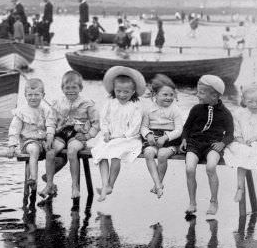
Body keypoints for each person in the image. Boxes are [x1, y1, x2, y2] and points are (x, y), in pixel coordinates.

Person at [180, 74, 234, 215]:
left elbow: (230, 134)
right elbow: (186, 127)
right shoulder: (196, 109)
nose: (198, 95)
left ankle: (214, 201)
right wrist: (184, 139)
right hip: (195, 143)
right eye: (198, 91)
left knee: (211, 167)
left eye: (202, 92)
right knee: (189, 169)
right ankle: (192, 203)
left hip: (213, 144)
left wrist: (222, 143)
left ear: (215, 95)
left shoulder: (225, 113)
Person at [90, 66, 145, 201]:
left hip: (128, 138)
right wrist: (106, 132)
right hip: (110, 136)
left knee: (115, 155)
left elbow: (135, 126)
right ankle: (105, 184)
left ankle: (111, 184)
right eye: (118, 91)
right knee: (100, 153)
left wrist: (122, 136)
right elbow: (104, 119)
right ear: (113, 90)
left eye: (126, 92)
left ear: (133, 92)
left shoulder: (135, 106)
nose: (121, 94)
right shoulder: (110, 103)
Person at [43, 70, 99, 199]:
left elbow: (96, 124)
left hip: (77, 135)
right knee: (50, 152)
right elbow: (51, 121)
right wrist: (50, 135)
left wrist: (87, 136)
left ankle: (75, 186)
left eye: (74, 87)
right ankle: (50, 184)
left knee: (72, 151)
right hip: (62, 132)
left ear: (80, 88)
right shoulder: (58, 103)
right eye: (67, 88)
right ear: (62, 89)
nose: (70, 90)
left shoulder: (87, 103)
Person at [140, 74, 184, 198]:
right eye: (165, 94)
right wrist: (147, 134)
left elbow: (179, 130)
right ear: (155, 95)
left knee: (162, 154)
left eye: (171, 95)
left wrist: (166, 137)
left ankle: (158, 183)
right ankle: (158, 184)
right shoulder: (148, 109)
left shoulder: (175, 110)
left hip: (170, 141)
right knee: (148, 153)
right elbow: (143, 126)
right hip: (153, 140)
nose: (169, 97)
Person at [6, 78, 51, 187]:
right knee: (33, 149)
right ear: (25, 95)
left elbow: (51, 126)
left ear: (43, 95)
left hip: (43, 142)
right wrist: (12, 146)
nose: (33, 97)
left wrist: (49, 138)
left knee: (55, 152)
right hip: (28, 142)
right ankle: (33, 178)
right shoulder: (21, 111)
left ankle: (49, 181)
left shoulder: (46, 110)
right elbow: (14, 130)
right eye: (30, 95)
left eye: (36, 95)